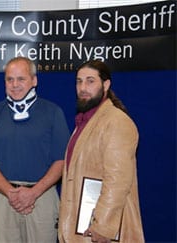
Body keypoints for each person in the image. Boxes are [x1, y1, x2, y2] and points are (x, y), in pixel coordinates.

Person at [0, 56, 70, 242]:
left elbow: (62, 160)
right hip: (3, 198)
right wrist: (11, 193)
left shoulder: (53, 112)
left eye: (21, 79)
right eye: (10, 79)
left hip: (42, 197)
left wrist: (33, 193)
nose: (15, 84)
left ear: (34, 81)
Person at [58, 60, 144, 243]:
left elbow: (118, 180)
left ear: (106, 84)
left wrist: (103, 226)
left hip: (101, 234)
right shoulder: (84, 122)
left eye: (90, 81)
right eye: (79, 81)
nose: (83, 87)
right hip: (81, 229)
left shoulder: (117, 122)